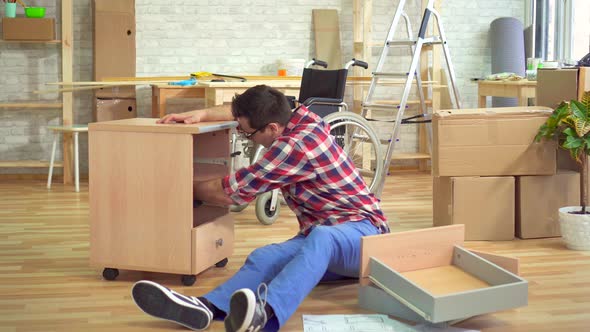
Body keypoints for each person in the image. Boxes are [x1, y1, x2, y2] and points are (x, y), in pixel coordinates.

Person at [131, 85, 389, 332]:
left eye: (247, 133)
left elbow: (230, 192)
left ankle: (265, 315)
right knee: (265, 257)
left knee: (323, 237)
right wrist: (202, 113)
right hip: (323, 237)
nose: (245, 137)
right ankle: (207, 307)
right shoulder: (299, 116)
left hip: (365, 238)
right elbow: (249, 109)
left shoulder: (294, 147)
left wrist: (176, 189)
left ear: (273, 128)